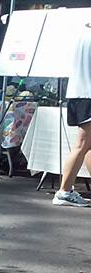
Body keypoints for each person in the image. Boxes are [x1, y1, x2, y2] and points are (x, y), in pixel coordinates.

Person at [53, 23, 91, 207]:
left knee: (87, 145)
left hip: (77, 93)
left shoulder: (80, 35)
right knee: (82, 145)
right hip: (88, 94)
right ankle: (64, 191)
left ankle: (65, 191)